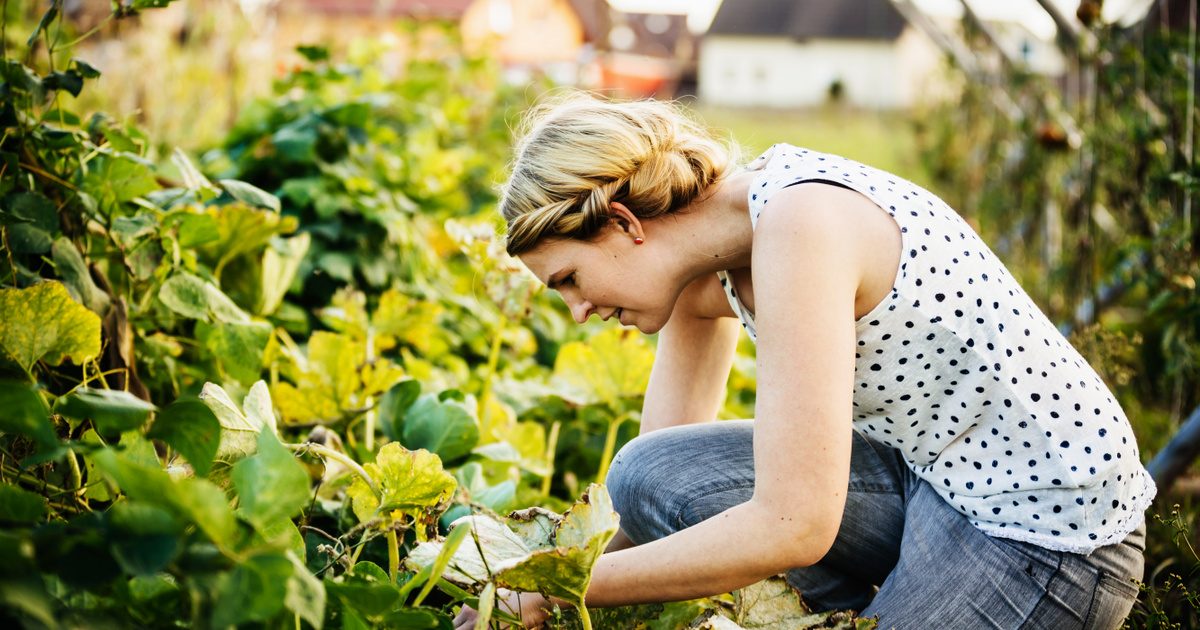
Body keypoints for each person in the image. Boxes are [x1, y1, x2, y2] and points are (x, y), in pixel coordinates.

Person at [455, 92, 1156, 629]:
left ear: (624, 225)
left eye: (569, 280)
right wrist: (531, 576)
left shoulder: (800, 225)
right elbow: (647, 499)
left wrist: (554, 586)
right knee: (645, 472)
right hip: (934, 480)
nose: (578, 312)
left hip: (1047, 533)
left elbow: (794, 524)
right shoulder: (708, 267)